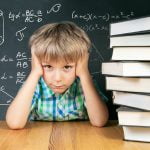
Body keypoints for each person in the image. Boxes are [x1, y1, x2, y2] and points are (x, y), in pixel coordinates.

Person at [6, 21, 109, 129]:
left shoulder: (84, 84)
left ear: (80, 64)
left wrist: (84, 73)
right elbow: (15, 123)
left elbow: (99, 121)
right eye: (48, 67)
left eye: (67, 67)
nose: (57, 78)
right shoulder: (35, 86)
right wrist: (35, 72)